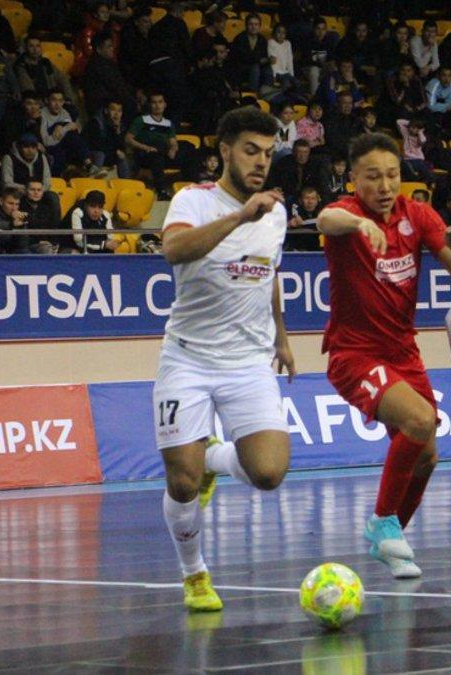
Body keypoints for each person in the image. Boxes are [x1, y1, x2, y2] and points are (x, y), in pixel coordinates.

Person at [316, 132, 451, 579]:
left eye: (393, 176)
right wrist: (360, 225)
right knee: (420, 420)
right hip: (354, 354)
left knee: (427, 456)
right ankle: (382, 521)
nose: (386, 186)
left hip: (403, 353)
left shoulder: (417, 214)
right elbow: (324, 220)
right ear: (354, 180)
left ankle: (391, 536)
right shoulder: (347, 213)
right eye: (373, 177)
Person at [153, 107, 296, 611]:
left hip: (248, 362)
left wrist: (281, 336)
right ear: (225, 151)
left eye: (268, 152)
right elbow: (173, 251)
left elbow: (269, 271)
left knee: (269, 473)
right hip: (187, 359)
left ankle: (216, 456)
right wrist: (240, 215)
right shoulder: (193, 200)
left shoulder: (275, 212)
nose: (261, 162)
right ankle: (194, 576)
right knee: (181, 480)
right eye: (250, 151)